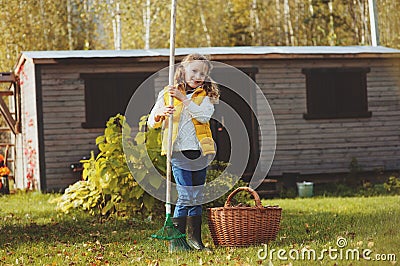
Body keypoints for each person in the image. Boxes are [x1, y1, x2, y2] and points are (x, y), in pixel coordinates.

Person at [148, 53, 219, 251]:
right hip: (178, 151)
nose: (198, 76)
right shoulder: (167, 93)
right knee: (186, 196)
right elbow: (151, 122)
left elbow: (203, 117)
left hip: (200, 151)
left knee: (197, 195)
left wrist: (183, 99)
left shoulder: (205, 96)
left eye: (202, 73)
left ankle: (195, 240)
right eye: (194, 71)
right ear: (182, 71)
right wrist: (161, 115)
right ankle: (177, 242)